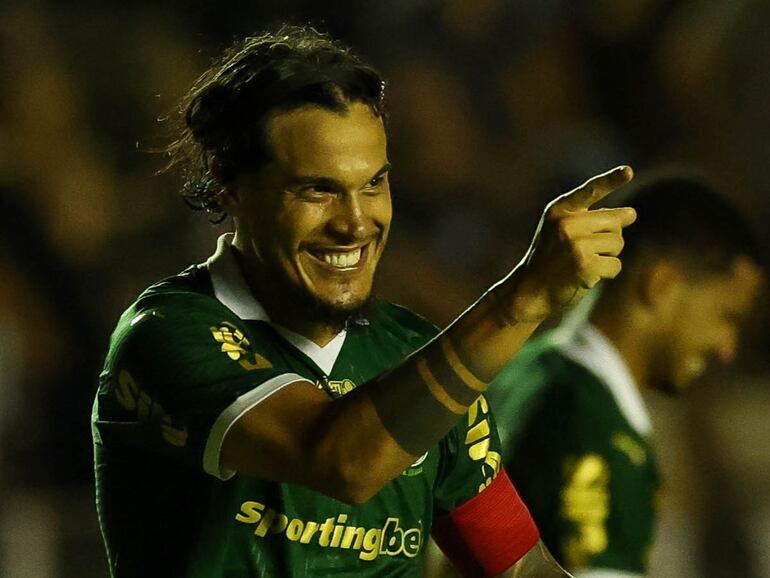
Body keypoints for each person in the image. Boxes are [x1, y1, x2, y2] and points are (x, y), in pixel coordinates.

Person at [91, 25, 637, 577]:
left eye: (373, 184)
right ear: (231, 187)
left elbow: (519, 568)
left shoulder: (419, 356)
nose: (356, 222)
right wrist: (522, 300)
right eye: (318, 190)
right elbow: (342, 460)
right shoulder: (167, 332)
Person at [486, 174, 764, 577]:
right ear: (662, 285)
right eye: (726, 318)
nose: (727, 348)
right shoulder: (589, 422)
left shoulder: (528, 369)